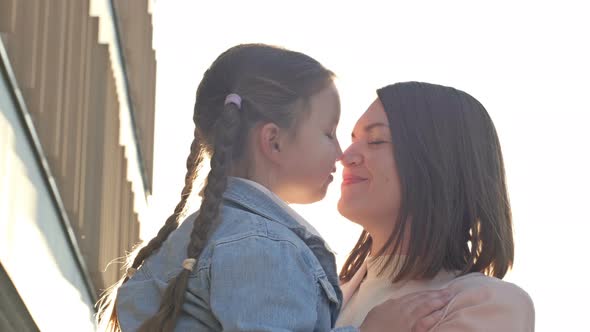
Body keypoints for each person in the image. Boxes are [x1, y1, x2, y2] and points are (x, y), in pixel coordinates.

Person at [97, 45, 449, 332]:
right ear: (273, 141)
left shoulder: (203, 237)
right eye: (328, 132)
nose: (341, 153)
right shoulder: (263, 246)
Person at [336, 82, 535, 331]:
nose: (345, 156)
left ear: (437, 161)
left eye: (376, 141)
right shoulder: (320, 296)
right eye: (352, 139)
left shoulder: (486, 304)